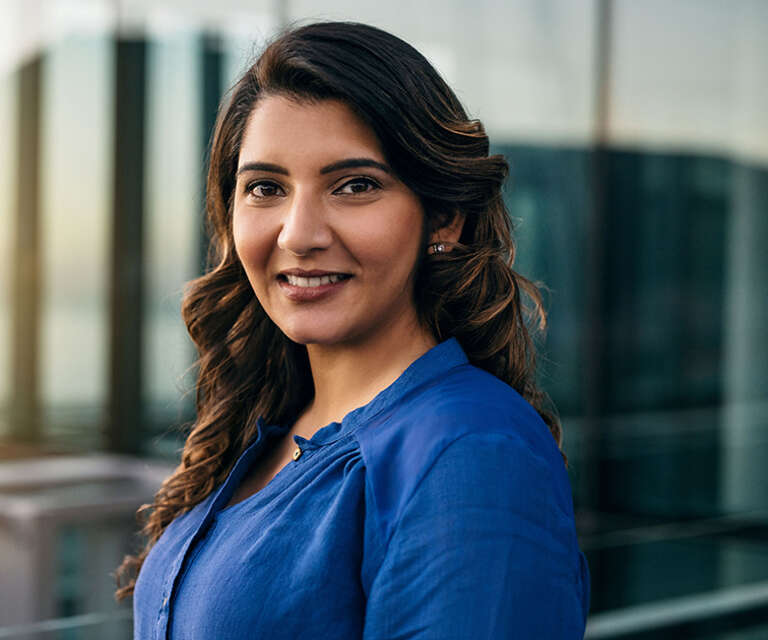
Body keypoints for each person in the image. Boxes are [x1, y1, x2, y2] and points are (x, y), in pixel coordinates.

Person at [116, 21, 590, 639]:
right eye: (265, 187)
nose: (298, 233)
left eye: (355, 186)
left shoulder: (470, 452)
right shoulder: (270, 431)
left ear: (444, 218)